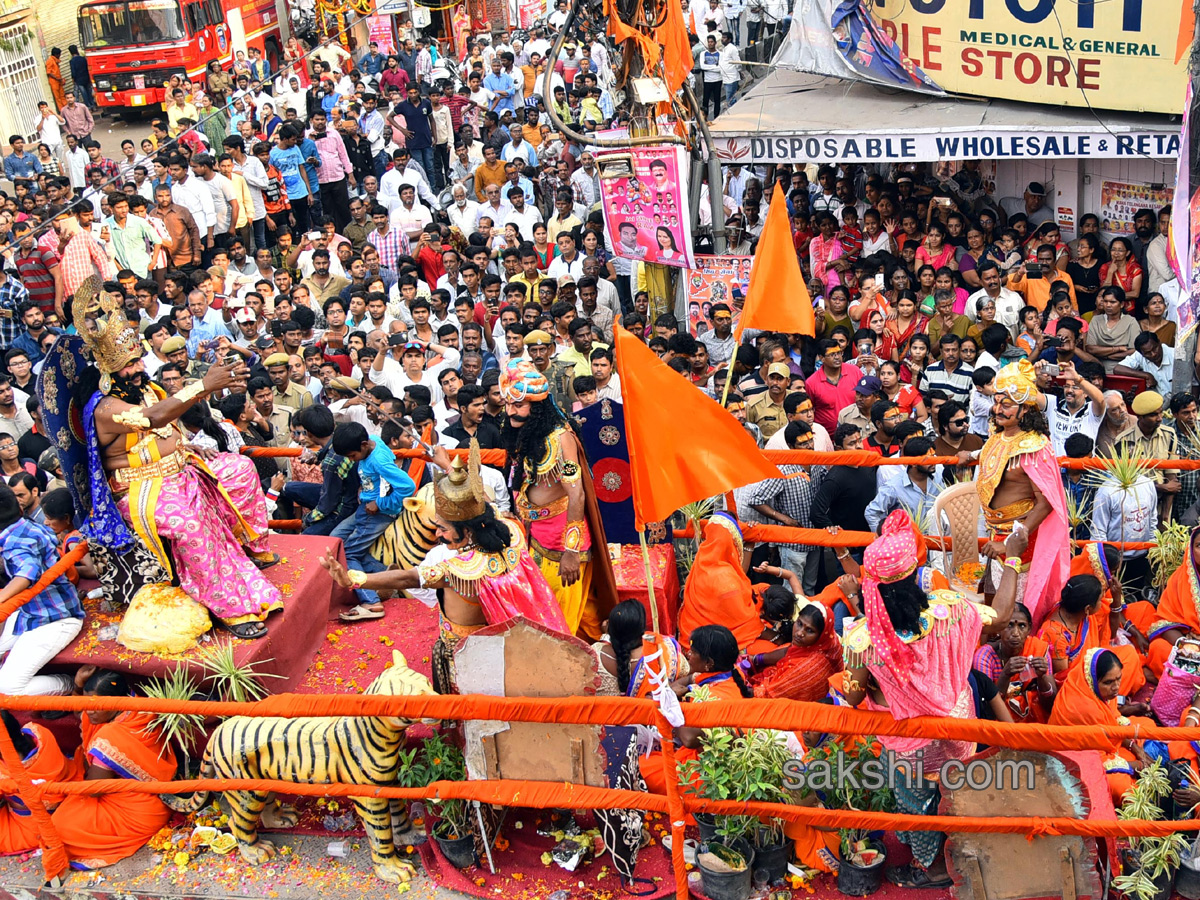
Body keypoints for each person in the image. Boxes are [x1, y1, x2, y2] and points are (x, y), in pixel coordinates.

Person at [42, 278, 282, 639]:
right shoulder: (105, 408)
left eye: (138, 361)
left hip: (181, 470)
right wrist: (203, 385)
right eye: (128, 366)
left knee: (240, 468)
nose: (137, 370)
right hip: (142, 489)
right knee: (188, 524)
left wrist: (187, 446)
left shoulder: (144, 387)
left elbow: (169, 426)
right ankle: (229, 607)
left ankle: (248, 548)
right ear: (107, 370)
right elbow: (153, 420)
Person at [840, 510, 1021, 889]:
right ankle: (963, 847)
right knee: (958, 793)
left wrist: (864, 684)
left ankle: (932, 867)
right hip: (958, 727)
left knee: (918, 805)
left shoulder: (864, 639)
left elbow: (854, 696)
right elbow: (1002, 617)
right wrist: (1013, 558)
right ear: (914, 574)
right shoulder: (949, 611)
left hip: (910, 745)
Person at [321, 440, 567, 692]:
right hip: (505, 646)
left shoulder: (458, 570)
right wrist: (448, 467)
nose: (438, 534)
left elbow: (405, 579)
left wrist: (355, 580)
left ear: (467, 530)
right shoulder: (510, 534)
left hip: (467, 654)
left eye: (443, 528)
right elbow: (484, 505)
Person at [500, 358, 617, 639]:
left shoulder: (560, 438)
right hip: (533, 536)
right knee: (584, 613)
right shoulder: (523, 433)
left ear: (536, 406)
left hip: (560, 543)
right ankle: (605, 654)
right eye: (508, 404)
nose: (511, 411)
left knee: (556, 624)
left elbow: (576, 494)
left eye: (519, 405)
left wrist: (571, 551)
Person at [50, 668, 179, 867]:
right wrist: (78, 685)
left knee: (58, 827)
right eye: (87, 703)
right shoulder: (136, 705)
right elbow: (82, 713)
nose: (89, 711)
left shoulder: (110, 736)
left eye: (97, 705)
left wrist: (93, 760)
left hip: (137, 810)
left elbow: (93, 789)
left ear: (114, 700)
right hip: (151, 793)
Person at [975, 360, 1069, 625]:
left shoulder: (1034, 446)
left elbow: (1046, 502)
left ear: (1025, 409)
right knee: (997, 606)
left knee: (1018, 611)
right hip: (996, 534)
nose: (998, 410)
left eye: (1006, 405)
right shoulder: (996, 436)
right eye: (997, 403)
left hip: (1020, 541)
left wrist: (1010, 542)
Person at [0, 482, 83, 695]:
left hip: (56, 619)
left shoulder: (15, 541)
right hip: (34, 613)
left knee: (7, 687)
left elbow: (26, 574)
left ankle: (70, 685)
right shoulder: (24, 525)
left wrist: (2, 597)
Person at [328, 421, 416, 622]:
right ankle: (384, 573)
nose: (352, 461)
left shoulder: (378, 461)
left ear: (363, 445)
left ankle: (372, 601)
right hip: (365, 508)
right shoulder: (373, 441)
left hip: (377, 513)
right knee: (335, 540)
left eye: (353, 456)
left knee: (348, 553)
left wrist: (380, 503)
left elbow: (407, 487)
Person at [1048, 648, 1154, 804]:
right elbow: (1096, 758)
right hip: (1079, 760)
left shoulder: (1097, 690)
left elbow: (1114, 722)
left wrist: (1135, 748)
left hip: (1105, 743)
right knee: (1122, 788)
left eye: (1118, 679)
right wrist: (1137, 764)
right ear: (1092, 680)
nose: (1116, 687)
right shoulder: (1084, 708)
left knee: (1147, 725)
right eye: (1109, 682)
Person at [677, 510, 759, 653]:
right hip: (713, 643)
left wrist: (749, 547)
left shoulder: (703, 555)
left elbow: (737, 575)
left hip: (691, 634)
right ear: (733, 538)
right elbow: (740, 615)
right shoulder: (725, 576)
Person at [972, 602, 1054, 723]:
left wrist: (1042, 678)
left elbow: (1050, 704)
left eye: (1022, 626)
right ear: (999, 629)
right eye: (1009, 625)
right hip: (999, 724)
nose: (1015, 633)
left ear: (1029, 629)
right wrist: (1005, 675)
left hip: (1034, 721)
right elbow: (985, 708)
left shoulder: (1038, 650)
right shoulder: (985, 657)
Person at [591, 599, 687, 701]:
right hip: (651, 714)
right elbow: (685, 671)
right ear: (642, 629)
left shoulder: (594, 654)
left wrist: (607, 634)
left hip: (607, 716)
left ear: (611, 630)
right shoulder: (663, 651)